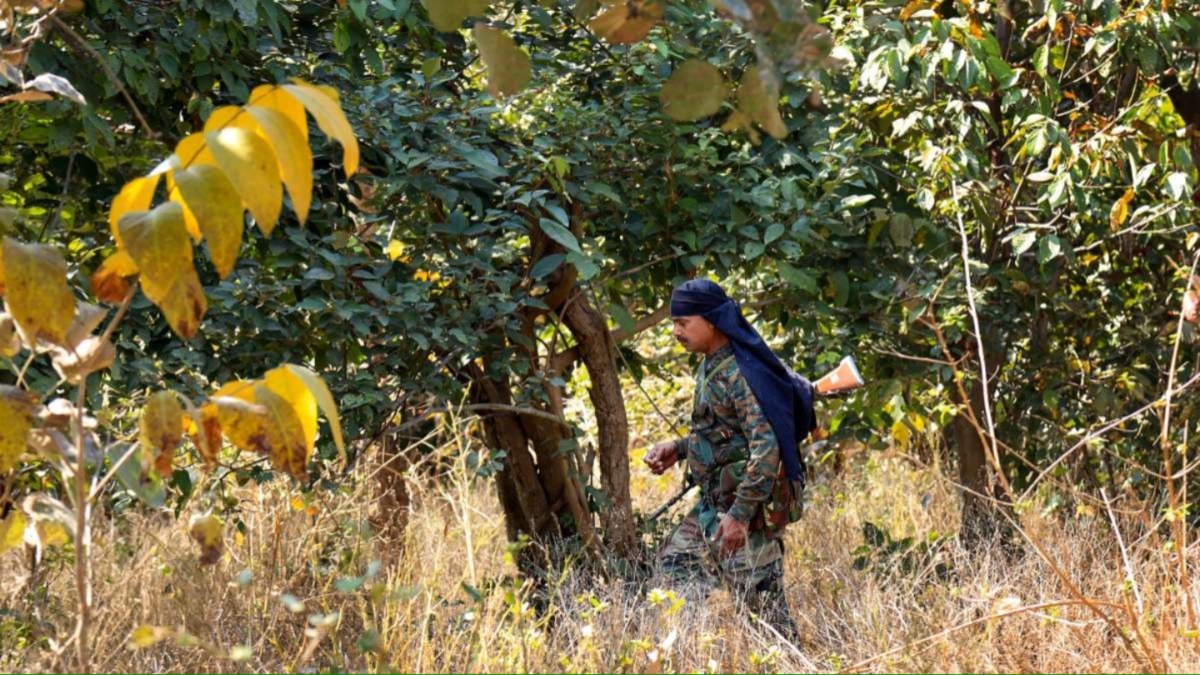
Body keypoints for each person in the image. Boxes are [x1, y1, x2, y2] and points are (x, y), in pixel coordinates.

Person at [644, 279, 815, 637]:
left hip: (747, 514)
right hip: (714, 505)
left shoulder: (741, 373)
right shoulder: (710, 365)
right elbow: (722, 434)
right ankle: (688, 653)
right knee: (675, 568)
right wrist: (678, 448)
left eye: (683, 322)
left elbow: (766, 450)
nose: (676, 331)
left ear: (712, 321)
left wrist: (739, 516)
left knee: (767, 621)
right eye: (673, 323)